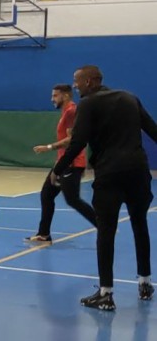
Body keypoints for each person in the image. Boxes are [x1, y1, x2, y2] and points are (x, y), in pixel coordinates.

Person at [53, 66, 154, 310]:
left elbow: (78, 142)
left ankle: (106, 294)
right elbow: (153, 130)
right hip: (139, 173)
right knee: (140, 225)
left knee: (106, 232)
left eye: (77, 81)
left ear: (89, 81)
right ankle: (145, 283)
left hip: (110, 174)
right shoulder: (130, 98)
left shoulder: (88, 104)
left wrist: (57, 170)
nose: (75, 86)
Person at [26, 84, 97, 243]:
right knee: (47, 195)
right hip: (63, 162)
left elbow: (72, 139)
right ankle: (44, 234)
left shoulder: (71, 111)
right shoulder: (66, 111)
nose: (52, 99)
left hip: (71, 163)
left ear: (65, 96)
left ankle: (104, 225)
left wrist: (49, 147)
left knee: (73, 199)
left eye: (55, 96)